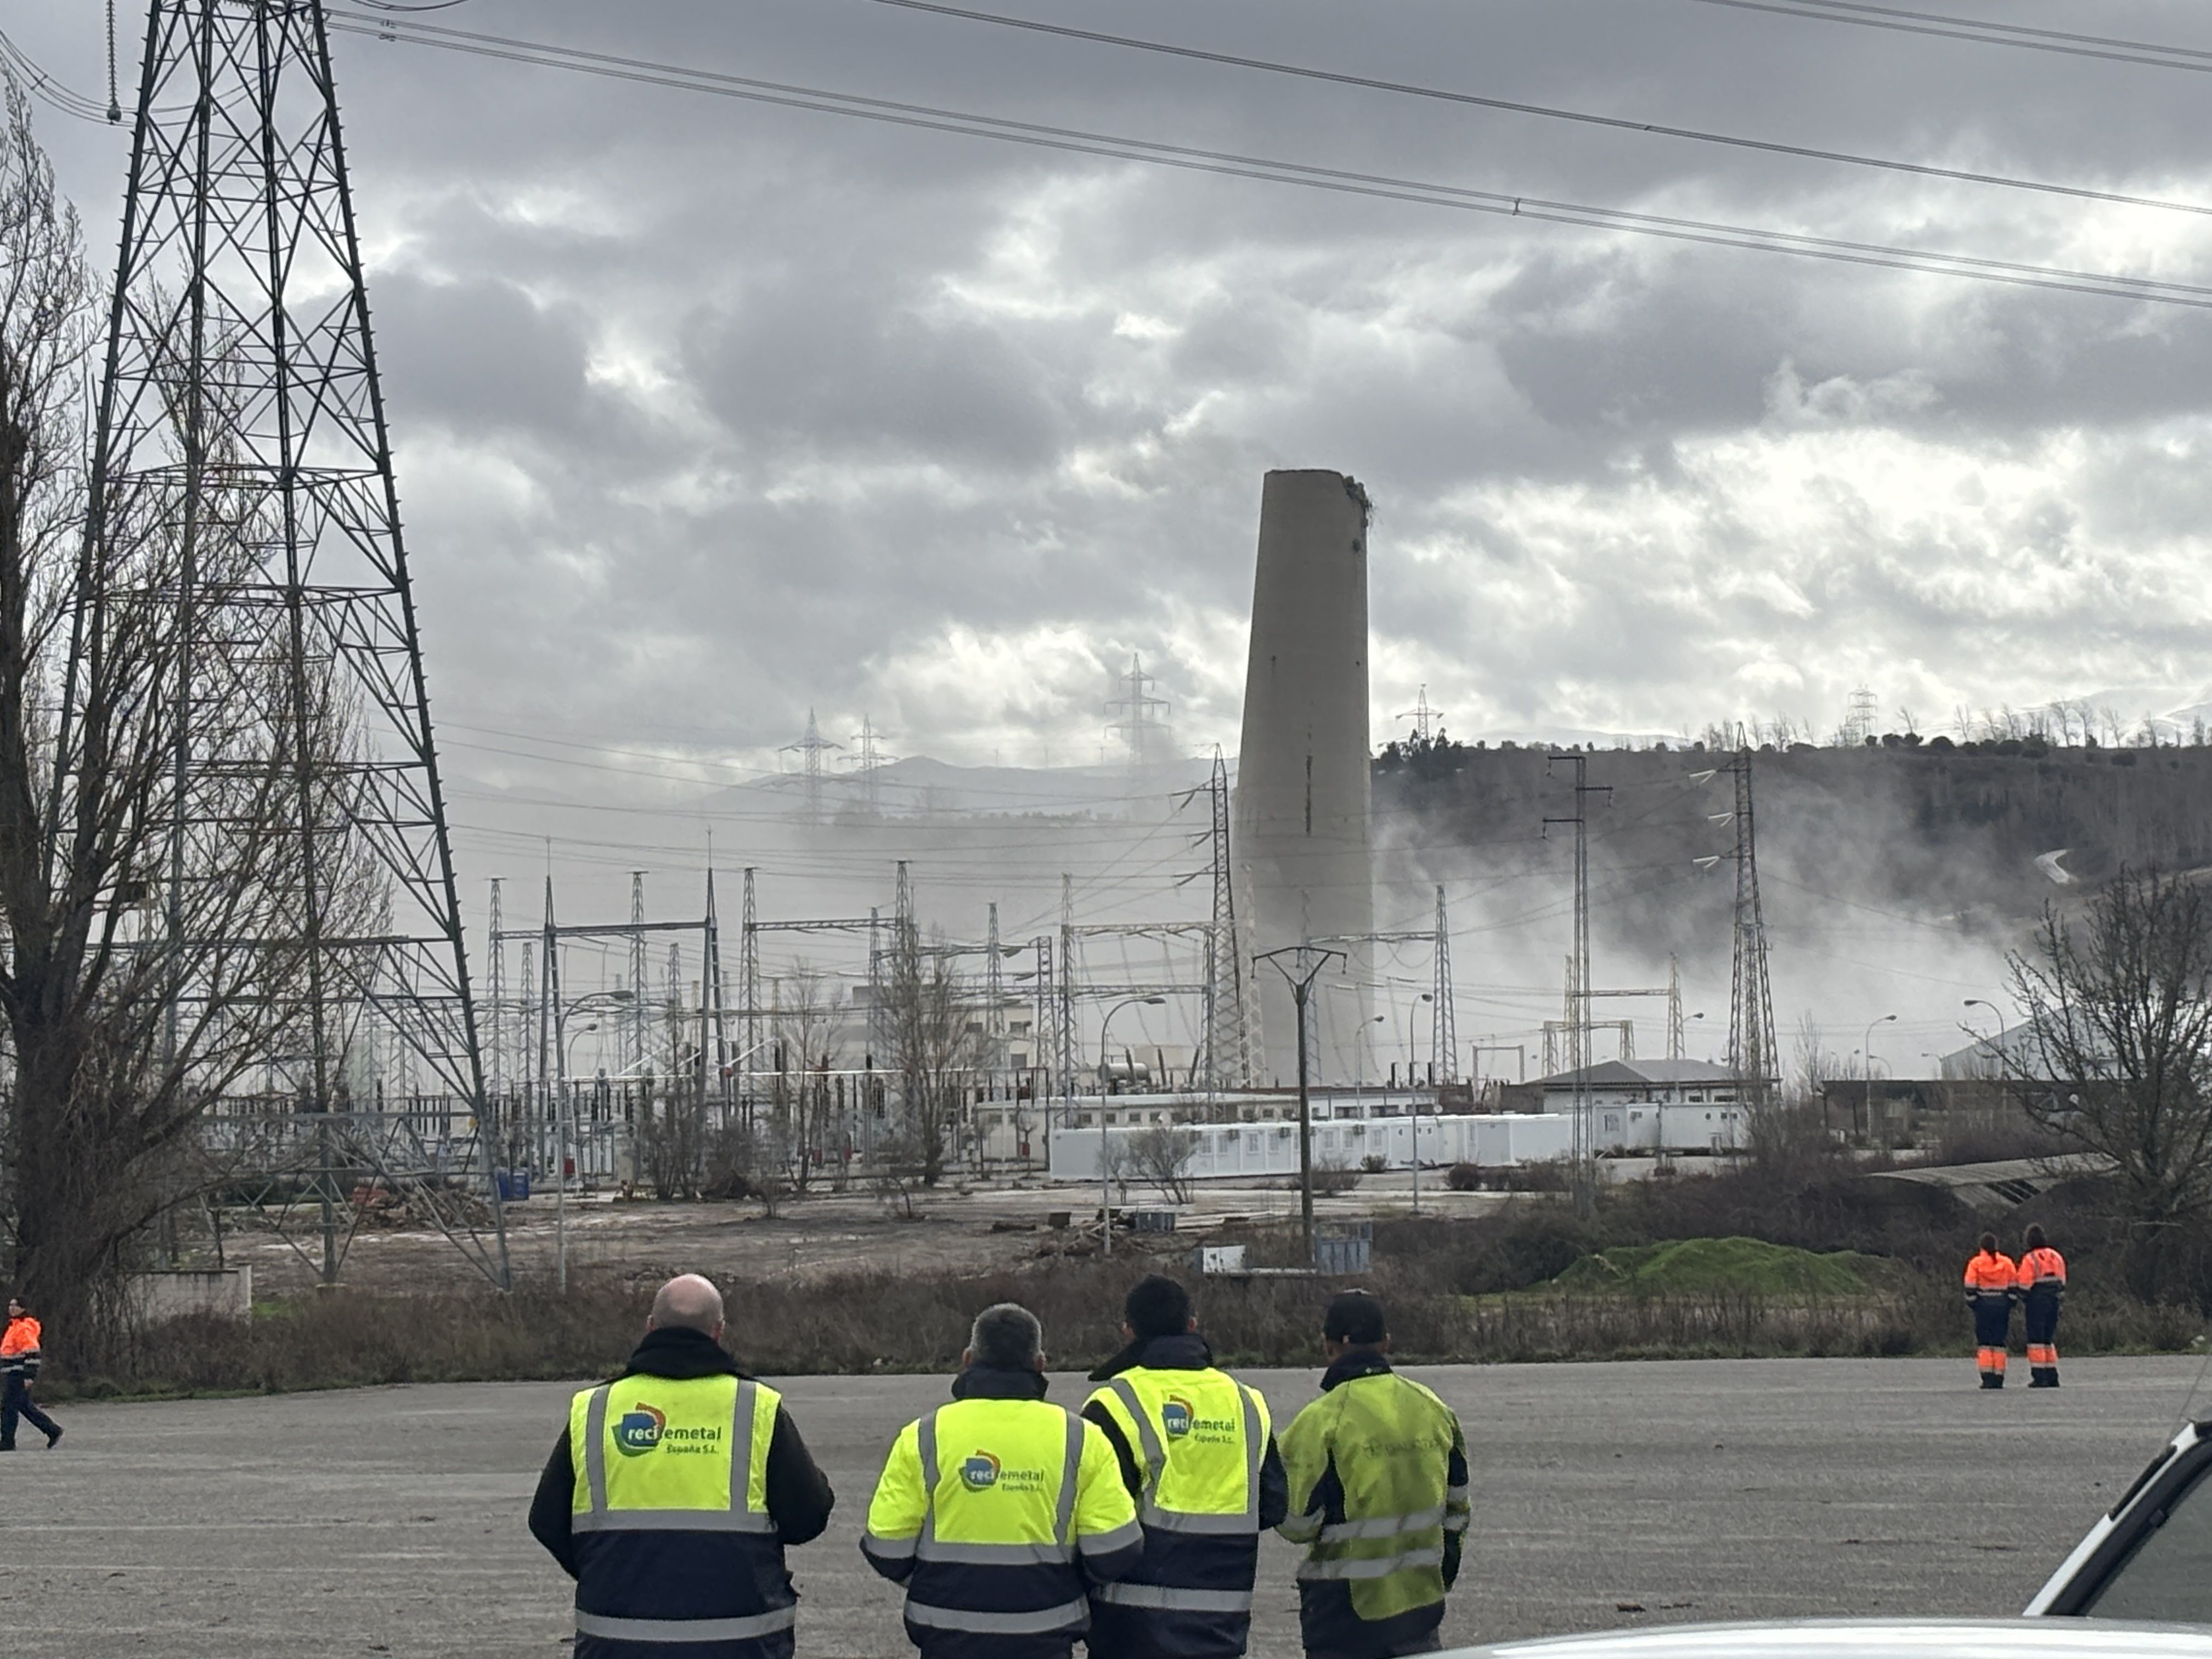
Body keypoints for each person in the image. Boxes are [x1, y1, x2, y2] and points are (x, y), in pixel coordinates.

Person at [528, 1273, 835, 1658]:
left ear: (650, 1326)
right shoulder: (755, 1408)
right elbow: (808, 1518)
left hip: (619, 1642)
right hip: (740, 1642)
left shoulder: (595, 1409)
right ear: (719, 1331)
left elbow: (546, 1520)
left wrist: (611, 1570)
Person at [861, 1301, 1142, 1658]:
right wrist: (1066, 1581)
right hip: (1046, 1633)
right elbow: (1115, 1550)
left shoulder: (923, 1436)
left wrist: (936, 1582)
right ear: (1040, 1364)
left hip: (946, 1635)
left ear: (968, 1359)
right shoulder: (1081, 1438)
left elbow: (886, 1547)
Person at [1082, 1274, 1289, 1659]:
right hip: (1220, 1630)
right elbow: (1274, 1506)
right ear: (1193, 1324)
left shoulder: (1114, 1403)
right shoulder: (1247, 1403)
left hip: (1129, 1631)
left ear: (1129, 1331)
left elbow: (1095, 1524)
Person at [1277, 1291, 1469, 1659]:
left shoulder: (1320, 1421)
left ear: (1328, 1346)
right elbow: (1458, 1508)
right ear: (1386, 1343)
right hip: (1421, 1602)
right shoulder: (1433, 1408)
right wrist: (1440, 1573)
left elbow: (1296, 1524)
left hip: (1345, 1613)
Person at [0, 1297, 60, 1451]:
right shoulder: (13, 1326)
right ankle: (52, 1430)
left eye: (16, 1305)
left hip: (19, 1373)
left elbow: (33, 1353)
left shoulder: (24, 1328)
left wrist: (29, 1376)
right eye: (11, 1305)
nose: (12, 1308)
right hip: (12, 1372)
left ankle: (7, 1441)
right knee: (23, 1406)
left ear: (23, 1309)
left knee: (9, 1407)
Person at [1963, 1232, 2019, 1390]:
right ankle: (1999, 1376)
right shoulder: (2007, 1263)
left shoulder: (1975, 1263)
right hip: (2002, 1307)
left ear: (1981, 1246)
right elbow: (2013, 1286)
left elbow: (1970, 1287)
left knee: (1984, 1343)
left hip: (1983, 1307)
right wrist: (2009, 1304)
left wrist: (1974, 1305)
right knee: (1999, 1342)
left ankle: (1987, 1377)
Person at [2017, 1223, 2068, 1389]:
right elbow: (2063, 1280)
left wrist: (2023, 1298)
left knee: (2036, 1340)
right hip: (2054, 1299)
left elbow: (2024, 1285)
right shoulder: (2056, 1256)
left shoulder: (2030, 1259)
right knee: (2048, 1339)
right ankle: (2052, 1375)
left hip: (2037, 1301)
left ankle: (2039, 1377)